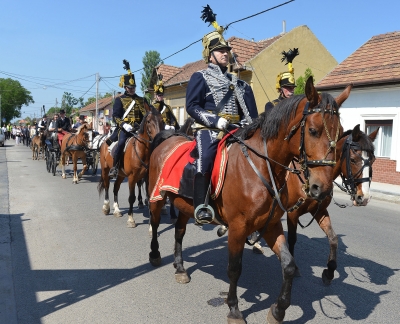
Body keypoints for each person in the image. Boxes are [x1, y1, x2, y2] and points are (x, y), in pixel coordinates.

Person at [186, 10, 258, 224]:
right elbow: (191, 107)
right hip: (210, 130)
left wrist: (251, 125)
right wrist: (215, 121)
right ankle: (201, 205)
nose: (225, 53)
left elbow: (251, 114)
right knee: (206, 157)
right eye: (220, 51)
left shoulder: (240, 83)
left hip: (238, 129)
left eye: (226, 50)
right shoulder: (199, 77)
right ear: (210, 55)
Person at [107, 59, 150, 179]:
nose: (132, 89)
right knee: (120, 144)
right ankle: (115, 167)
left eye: (134, 87)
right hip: (125, 129)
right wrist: (124, 125)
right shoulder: (119, 100)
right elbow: (115, 117)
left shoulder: (141, 100)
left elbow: (147, 114)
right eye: (130, 87)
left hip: (139, 129)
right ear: (125, 87)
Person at [265, 48, 299, 113]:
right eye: (288, 87)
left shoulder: (297, 105)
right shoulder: (271, 105)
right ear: (281, 89)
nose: (291, 91)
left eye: (292, 88)